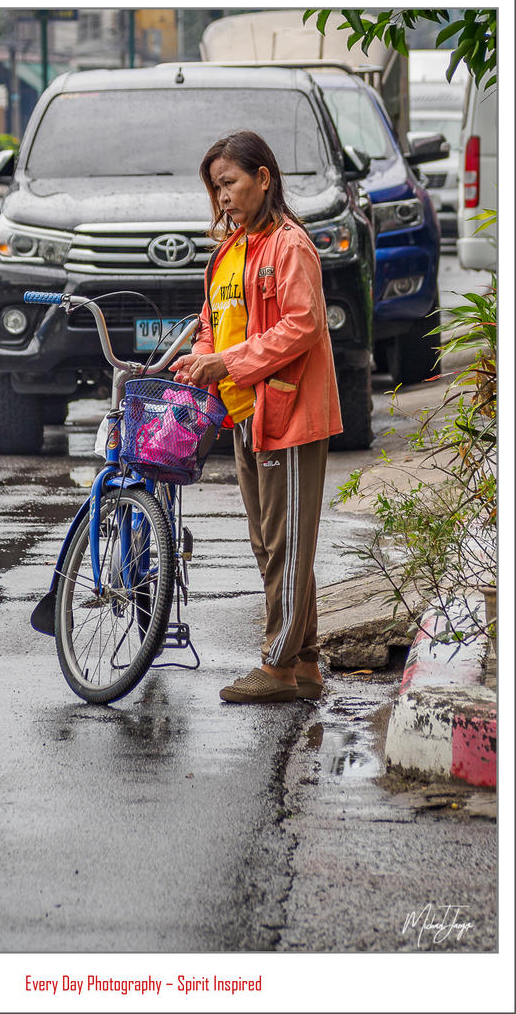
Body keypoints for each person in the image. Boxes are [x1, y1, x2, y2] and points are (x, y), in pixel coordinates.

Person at [170, 130, 343, 704]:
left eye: (230, 183)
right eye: (215, 188)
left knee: (285, 545)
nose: (222, 197)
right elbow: (212, 321)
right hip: (247, 413)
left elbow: (303, 325)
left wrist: (227, 360)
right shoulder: (230, 250)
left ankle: (277, 665)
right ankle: (307, 662)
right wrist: (200, 359)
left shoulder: (289, 245)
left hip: (288, 413)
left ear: (262, 178)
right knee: (274, 545)